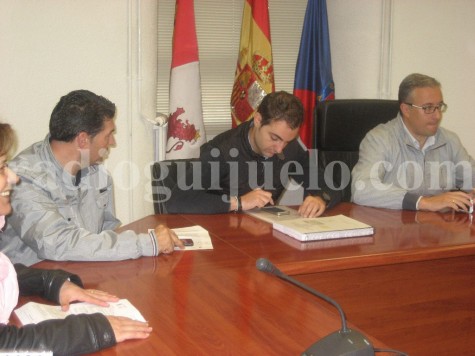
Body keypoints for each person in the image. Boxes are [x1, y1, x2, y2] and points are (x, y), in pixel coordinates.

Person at [0, 122, 152, 354]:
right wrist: (94, 329)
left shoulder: (96, 172)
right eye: (1, 167)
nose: (12, 176)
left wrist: (52, 283)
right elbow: (6, 344)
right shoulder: (30, 175)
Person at [1, 90, 183, 267]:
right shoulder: (22, 178)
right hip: (32, 287)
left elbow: (110, 230)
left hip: (84, 276)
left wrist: (149, 240)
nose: (112, 142)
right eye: (108, 135)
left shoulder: (97, 173)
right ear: (83, 140)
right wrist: (146, 243)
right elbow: (57, 243)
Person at [166, 91, 339, 217]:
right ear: (258, 120)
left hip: (264, 238)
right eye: (274, 138)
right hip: (222, 240)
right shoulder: (222, 150)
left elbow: (334, 186)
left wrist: (321, 198)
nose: (280, 149)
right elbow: (177, 200)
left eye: (287, 141)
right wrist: (238, 202)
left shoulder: (291, 149)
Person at [351, 73, 475, 212]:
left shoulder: (449, 141)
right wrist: (424, 202)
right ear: (406, 109)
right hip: (392, 228)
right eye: (428, 108)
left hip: (437, 229)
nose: (437, 115)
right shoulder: (380, 139)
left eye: (439, 106)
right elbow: (361, 189)